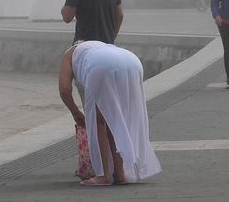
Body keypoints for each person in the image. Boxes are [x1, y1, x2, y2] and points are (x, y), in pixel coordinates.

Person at [58, 40, 161, 186]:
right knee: (118, 119)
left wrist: (76, 113)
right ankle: (120, 174)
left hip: (101, 66)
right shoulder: (99, 46)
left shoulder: (69, 54)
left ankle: (104, 175)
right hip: (132, 62)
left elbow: (64, 90)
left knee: (99, 121)